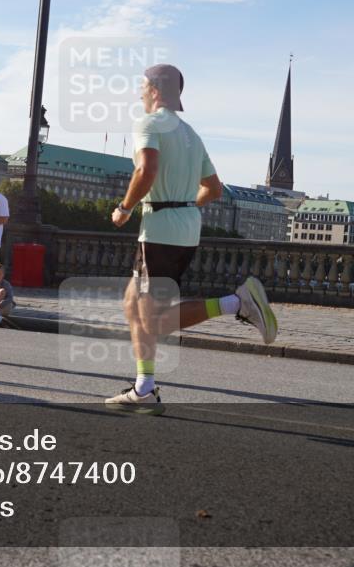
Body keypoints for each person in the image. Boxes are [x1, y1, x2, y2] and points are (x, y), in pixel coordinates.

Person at [106, 64, 278, 415]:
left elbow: (146, 170)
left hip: (159, 230)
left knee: (151, 319)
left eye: (142, 87)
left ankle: (236, 302)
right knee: (132, 305)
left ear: (155, 89)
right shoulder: (190, 134)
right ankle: (144, 387)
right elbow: (213, 189)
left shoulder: (149, 124)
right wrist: (184, 205)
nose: (139, 93)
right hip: (186, 226)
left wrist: (124, 208)